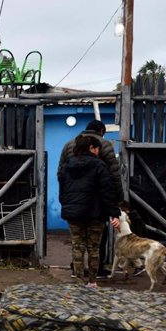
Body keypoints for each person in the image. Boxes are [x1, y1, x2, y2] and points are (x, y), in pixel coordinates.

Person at [58, 119, 124, 277]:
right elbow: (113, 178)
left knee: (77, 244)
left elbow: (60, 175)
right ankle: (96, 275)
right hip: (96, 207)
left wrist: (66, 201)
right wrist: (116, 204)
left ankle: (77, 274)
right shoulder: (104, 149)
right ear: (101, 131)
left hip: (73, 207)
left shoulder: (68, 145)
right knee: (95, 245)